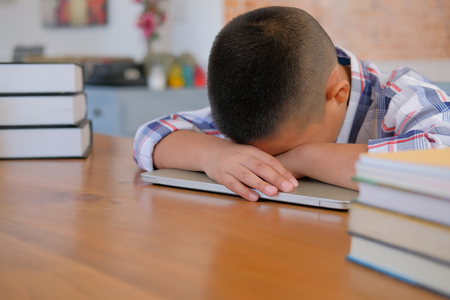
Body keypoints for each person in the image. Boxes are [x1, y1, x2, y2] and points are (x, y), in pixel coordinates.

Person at [133, 6, 450, 202]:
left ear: (338, 94)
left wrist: (307, 158)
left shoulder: (400, 95)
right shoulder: (260, 99)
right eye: (264, 156)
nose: (273, 165)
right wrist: (214, 154)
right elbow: (150, 135)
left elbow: (442, 157)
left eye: (281, 154)